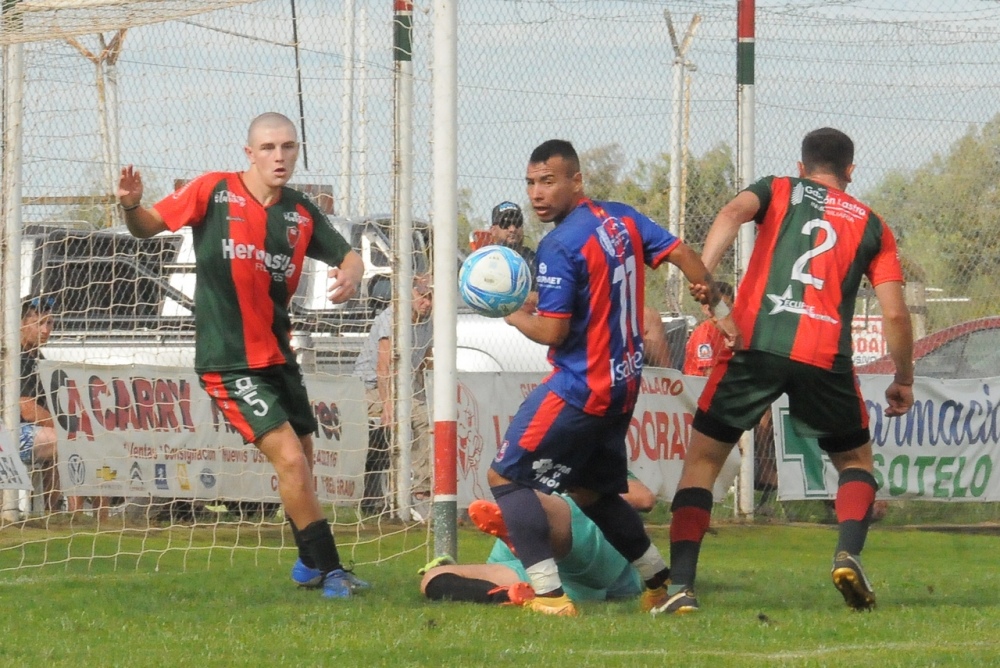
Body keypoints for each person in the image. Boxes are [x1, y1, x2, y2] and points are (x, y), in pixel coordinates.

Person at [116, 112, 369, 599]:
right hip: (229, 361)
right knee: (292, 460)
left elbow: (348, 254)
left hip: (279, 356)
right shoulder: (213, 190)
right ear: (249, 152)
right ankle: (333, 570)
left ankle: (307, 563)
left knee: (305, 463)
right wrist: (131, 206)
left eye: (288, 147)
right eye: (269, 147)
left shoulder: (299, 212)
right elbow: (147, 227)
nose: (279, 156)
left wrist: (353, 273)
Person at [662, 127, 914, 614]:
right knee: (856, 463)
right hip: (826, 356)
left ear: (803, 167)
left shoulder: (778, 188)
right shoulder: (873, 224)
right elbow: (897, 315)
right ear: (850, 171)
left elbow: (732, 213)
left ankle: (682, 588)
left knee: (703, 462)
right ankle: (846, 554)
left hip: (754, 343)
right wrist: (903, 378)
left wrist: (704, 274)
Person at [486, 139, 725, 616]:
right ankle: (661, 585)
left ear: (577, 181)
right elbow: (681, 254)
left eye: (549, 181)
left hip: (580, 386)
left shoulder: (558, 244)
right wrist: (714, 302)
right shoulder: (621, 217)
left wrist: (512, 314)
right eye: (531, 182)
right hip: (623, 384)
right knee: (592, 491)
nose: (537, 193)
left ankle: (549, 596)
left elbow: (554, 331)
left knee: (504, 477)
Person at [420, 477, 656, 607]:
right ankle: (505, 595)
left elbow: (644, 499)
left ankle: (527, 524)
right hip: (553, 580)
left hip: (596, 548)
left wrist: (581, 491)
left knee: (538, 502)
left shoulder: (594, 466)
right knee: (434, 579)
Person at [353, 274, 434, 516]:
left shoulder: (431, 321)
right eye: (422, 296)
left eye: (431, 297)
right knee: (411, 418)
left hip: (405, 389)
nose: (427, 302)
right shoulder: (391, 319)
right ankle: (411, 494)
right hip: (368, 388)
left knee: (427, 416)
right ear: (409, 294)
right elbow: (383, 367)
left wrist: (427, 396)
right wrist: (388, 405)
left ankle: (422, 491)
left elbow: (425, 362)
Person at [682, 281, 734, 377]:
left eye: (726, 306)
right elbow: (708, 374)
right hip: (700, 386)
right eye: (718, 307)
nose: (722, 311)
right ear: (707, 309)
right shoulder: (704, 334)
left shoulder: (733, 329)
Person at [489, 201, 537, 287]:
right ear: (493, 230)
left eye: (517, 223)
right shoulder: (485, 260)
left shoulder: (534, 260)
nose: (512, 229)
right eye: (505, 223)